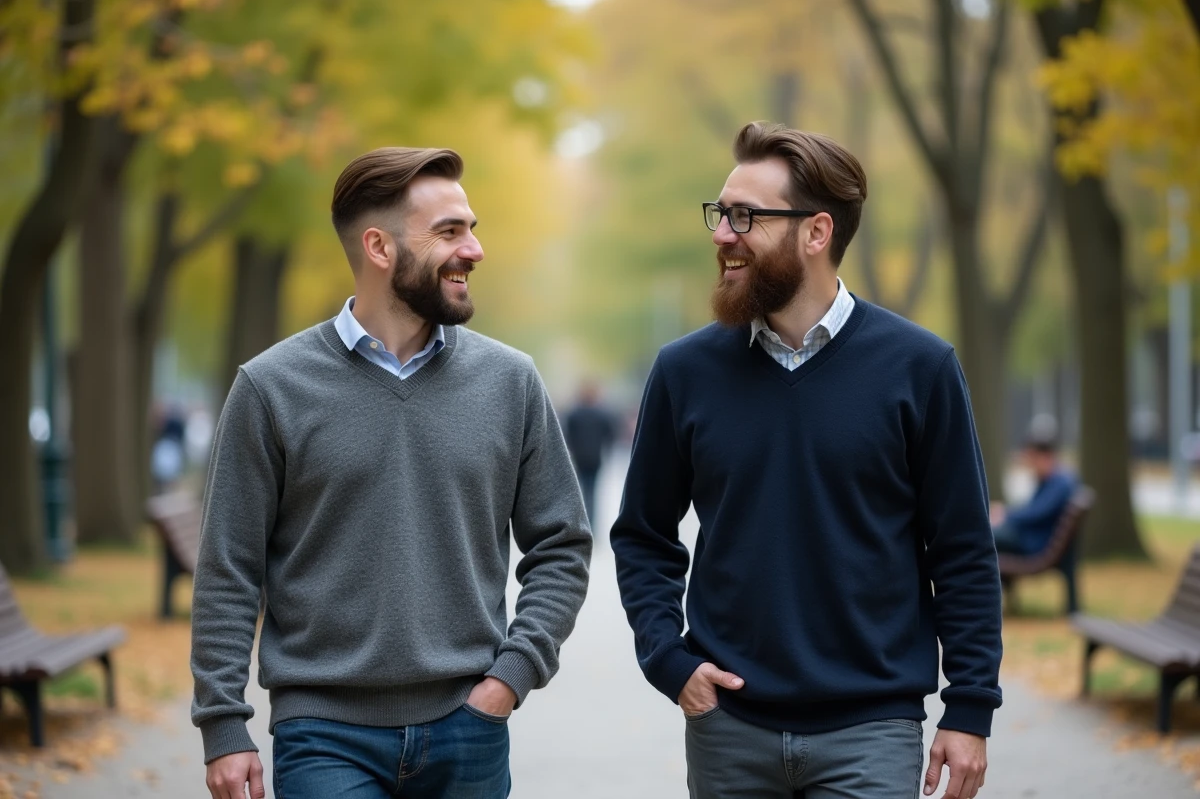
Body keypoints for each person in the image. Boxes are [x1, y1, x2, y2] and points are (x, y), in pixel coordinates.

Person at [611, 122, 1002, 799]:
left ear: (816, 233)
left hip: (872, 730)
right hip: (728, 727)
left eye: (744, 217)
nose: (721, 235)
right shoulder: (685, 371)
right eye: (720, 213)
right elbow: (643, 534)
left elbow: (963, 549)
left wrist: (970, 708)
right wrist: (667, 659)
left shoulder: (920, 367)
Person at [191, 146, 592, 799]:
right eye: (449, 232)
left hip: (470, 728)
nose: (474, 250)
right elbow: (229, 567)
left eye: (473, 228)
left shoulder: (509, 381)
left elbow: (562, 543)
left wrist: (510, 677)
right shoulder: (271, 388)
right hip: (323, 733)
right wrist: (223, 726)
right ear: (379, 248)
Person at [992, 432, 1076, 555]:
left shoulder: (1059, 483)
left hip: (1033, 542)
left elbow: (1037, 513)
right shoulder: (1056, 479)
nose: (1030, 463)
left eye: (1032, 457)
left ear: (1045, 456)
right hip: (1032, 537)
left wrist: (1005, 515)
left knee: (985, 535)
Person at [563, 380, 617, 531]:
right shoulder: (602, 414)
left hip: (579, 458)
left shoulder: (574, 414)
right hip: (595, 458)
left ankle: (580, 524)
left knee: (578, 492)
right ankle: (591, 525)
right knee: (592, 492)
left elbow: (566, 436)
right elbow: (611, 436)